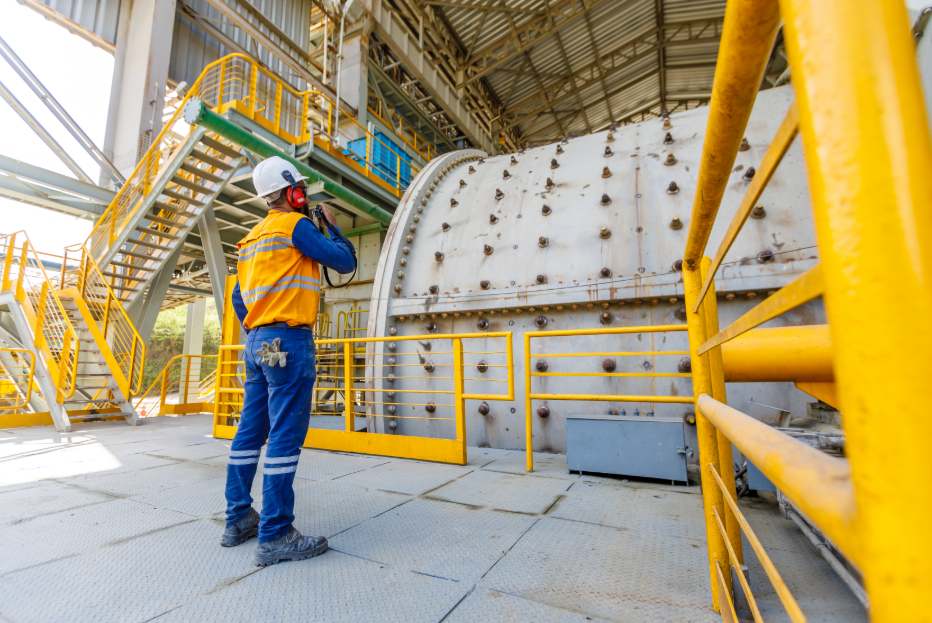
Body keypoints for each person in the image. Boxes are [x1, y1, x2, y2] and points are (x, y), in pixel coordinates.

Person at [220, 156, 356, 566]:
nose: (306, 195)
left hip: (258, 342)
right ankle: (276, 533)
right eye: (303, 189)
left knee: (249, 432)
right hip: (289, 341)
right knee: (283, 436)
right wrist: (329, 225)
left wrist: (259, 331)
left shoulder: (249, 241)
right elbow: (345, 262)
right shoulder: (294, 226)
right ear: (292, 191)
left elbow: (238, 299)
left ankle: (238, 518)